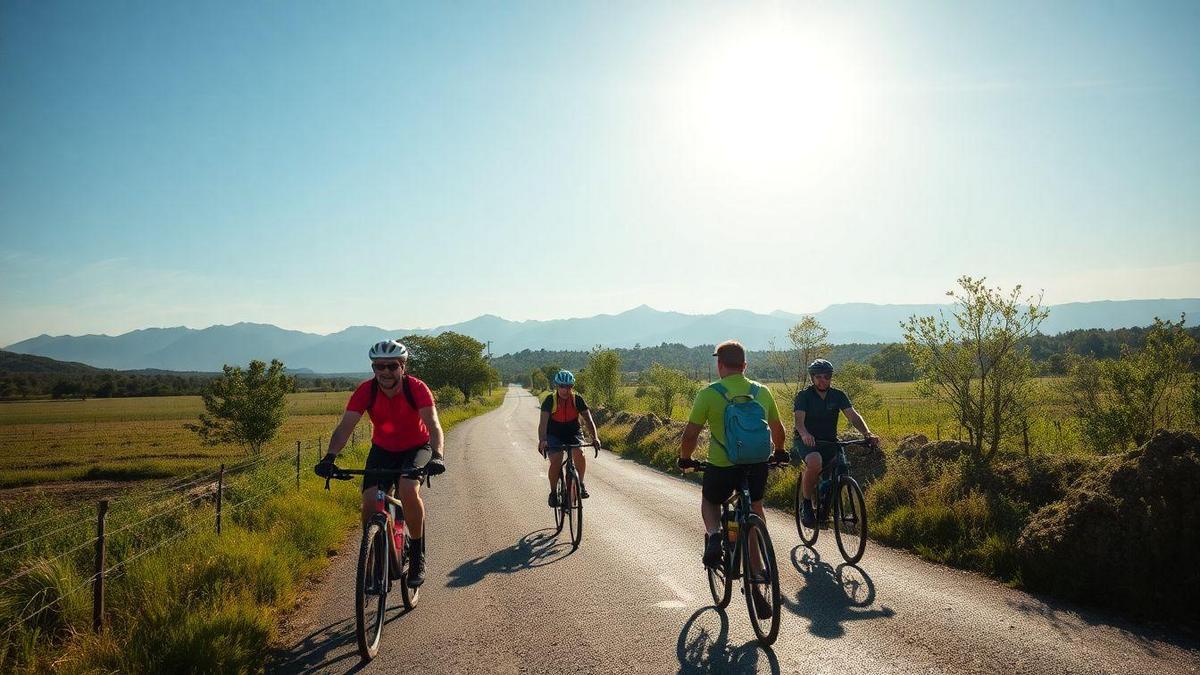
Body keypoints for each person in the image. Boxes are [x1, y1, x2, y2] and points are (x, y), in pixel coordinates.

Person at [315, 340, 446, 588]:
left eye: (392, 366)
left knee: (407, 490)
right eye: (379, 366)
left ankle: (417, 555)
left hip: (416, 447)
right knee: (369, 501)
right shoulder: (366, 391)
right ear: (373, 368)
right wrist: (329, 457)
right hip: (383, 449)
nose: (385, 372)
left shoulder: (417, 388)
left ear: (402, 366)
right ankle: (375, 556)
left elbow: (434, 425)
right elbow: (345, 428)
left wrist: (438, 455)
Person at [678, 340, 787, 617]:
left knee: (710, 501)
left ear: (720, 365)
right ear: (745, 366)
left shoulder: (710, 393)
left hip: (722, 466)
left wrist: (685, 459)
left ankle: (714, 536)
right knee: (755, 509)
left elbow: (690, 435)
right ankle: (759, 571)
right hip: (756, 466)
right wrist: (780, 452)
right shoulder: (761, 391)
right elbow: (778, 430)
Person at [793, 358, 879, 528]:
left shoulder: (838, 395)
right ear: (812, 378)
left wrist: (867, 433)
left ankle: (827, 502)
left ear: (831, 377)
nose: (822, 380)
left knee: (842, 466)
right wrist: (804, 434)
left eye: (826, 376)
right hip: (807, 441)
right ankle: (807, 505)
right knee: (815, 462)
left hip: (830, 441)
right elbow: (799, 422)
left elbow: (853, 416)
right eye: (818, 376)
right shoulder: (804, 396)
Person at [538, 369, 601, 506]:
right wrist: (542, 440)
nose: (565, 390)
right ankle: (554, 493)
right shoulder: (550, 400)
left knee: (580, 453)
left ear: (572, 387)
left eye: (568, 387)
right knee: (556, 459)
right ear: (557, 386)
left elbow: (589, 420)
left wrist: (595, 438)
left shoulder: (577, 399)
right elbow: (543, 424)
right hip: (554, 433)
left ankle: (581, 484)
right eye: (562, 386)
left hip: (573, 432)